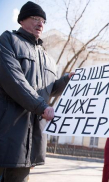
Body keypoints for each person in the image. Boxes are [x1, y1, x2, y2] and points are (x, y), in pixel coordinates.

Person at [0, 1, 73, 182]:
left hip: (28, 144)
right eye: (35, 18)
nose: (40, 23)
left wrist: (67, 80)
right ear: (22, 20)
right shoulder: (8, 40)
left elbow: (49, 90)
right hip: (6, 134)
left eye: (43, 21)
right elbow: (14, 80)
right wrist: (42, 107)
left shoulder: (47, 58)